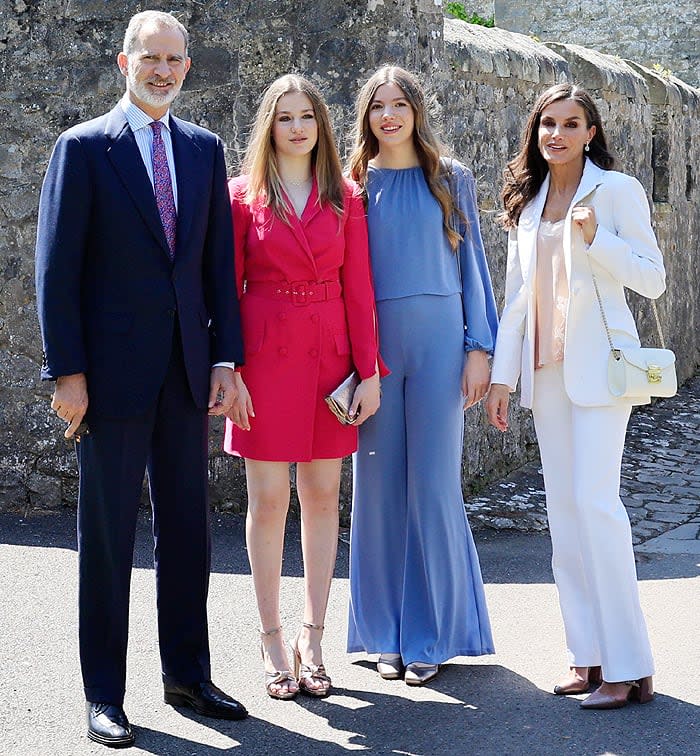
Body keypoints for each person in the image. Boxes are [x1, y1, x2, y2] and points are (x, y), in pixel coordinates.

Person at [35, 11, 248, 748]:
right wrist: (67, 372)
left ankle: (188, 674)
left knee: (190, 531)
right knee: (108, 535)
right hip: (111, 377)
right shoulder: (84, 148)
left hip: (189, 372)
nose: (163, 70)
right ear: (125, 63)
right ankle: (105, 696)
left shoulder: (204, 150)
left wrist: (226, 359)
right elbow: (57, 272)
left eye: (174, 59)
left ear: (188, 67)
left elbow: (218, 266)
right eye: (150, 58)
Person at [486, 83, 663, 709]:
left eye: (570, 123)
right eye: (546, 124)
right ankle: (586, 654)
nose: (556, 134)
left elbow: (653, 278)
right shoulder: (529, 203)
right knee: (563, 513)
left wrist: (599, 241)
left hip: (603, 371)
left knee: (596, 505)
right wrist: (504, 377)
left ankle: (629, 663)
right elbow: (515, 298)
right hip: (546, 374)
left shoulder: (615, 192)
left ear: (591, 132)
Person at [224, 74, 383, 700]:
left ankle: (313, 637)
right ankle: (270, 638)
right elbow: (226, 290)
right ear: (270, 127)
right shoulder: (241, 198)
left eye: (308, 118)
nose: (297, 128)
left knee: (322, 497)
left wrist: (368, 373)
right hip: (262, 359)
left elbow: (360, 289)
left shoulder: (346, 196)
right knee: (267, 502)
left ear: (321, 127)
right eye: (285, 118)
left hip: (330, 361)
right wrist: (228, 367)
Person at [346, 65, 497, 686]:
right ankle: (385, 633)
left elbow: (475, 267)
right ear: (365, 116)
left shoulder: (449, 178)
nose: (389, 115)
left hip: (440, 344)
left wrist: (479, 348)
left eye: (399, 104)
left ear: (416, 111)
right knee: (378, 489)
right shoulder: (352, 184)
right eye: (377, 105)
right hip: (374, 348)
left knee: (433, 486)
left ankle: (433, 632)